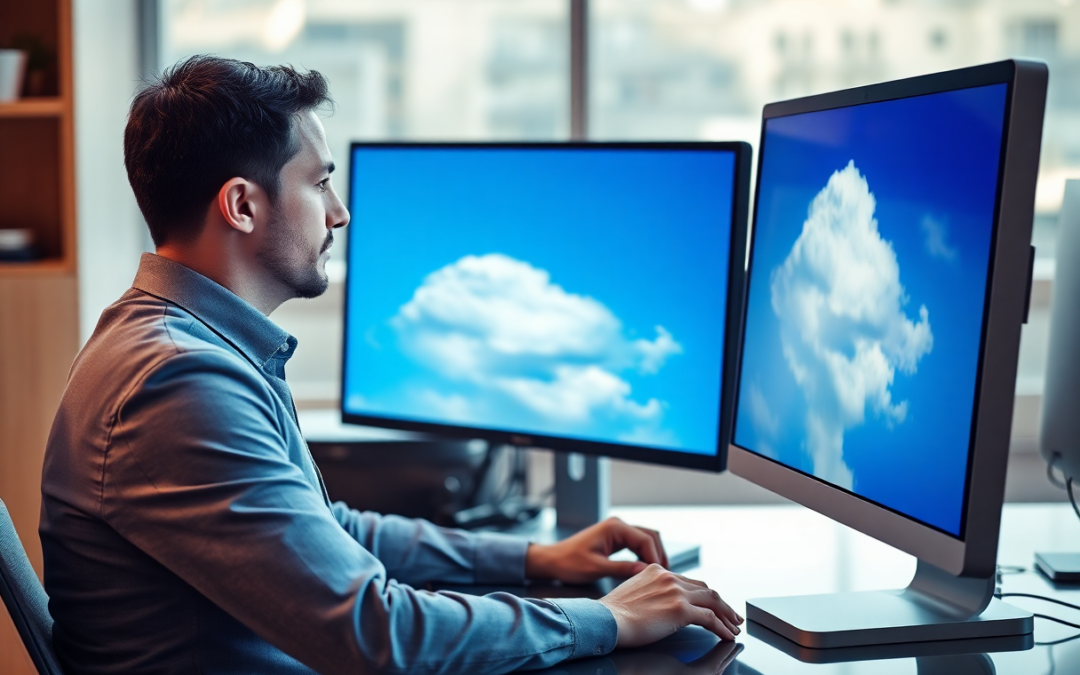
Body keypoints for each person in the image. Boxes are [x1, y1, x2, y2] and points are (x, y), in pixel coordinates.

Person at [39, 55, 741, 675]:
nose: (340, 214)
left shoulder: (186, 344)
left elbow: (327, 528)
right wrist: (608, 619)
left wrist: (536, 559)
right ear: (243, 205)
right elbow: (375, 636)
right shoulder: (178, 384)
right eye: (319, 184)